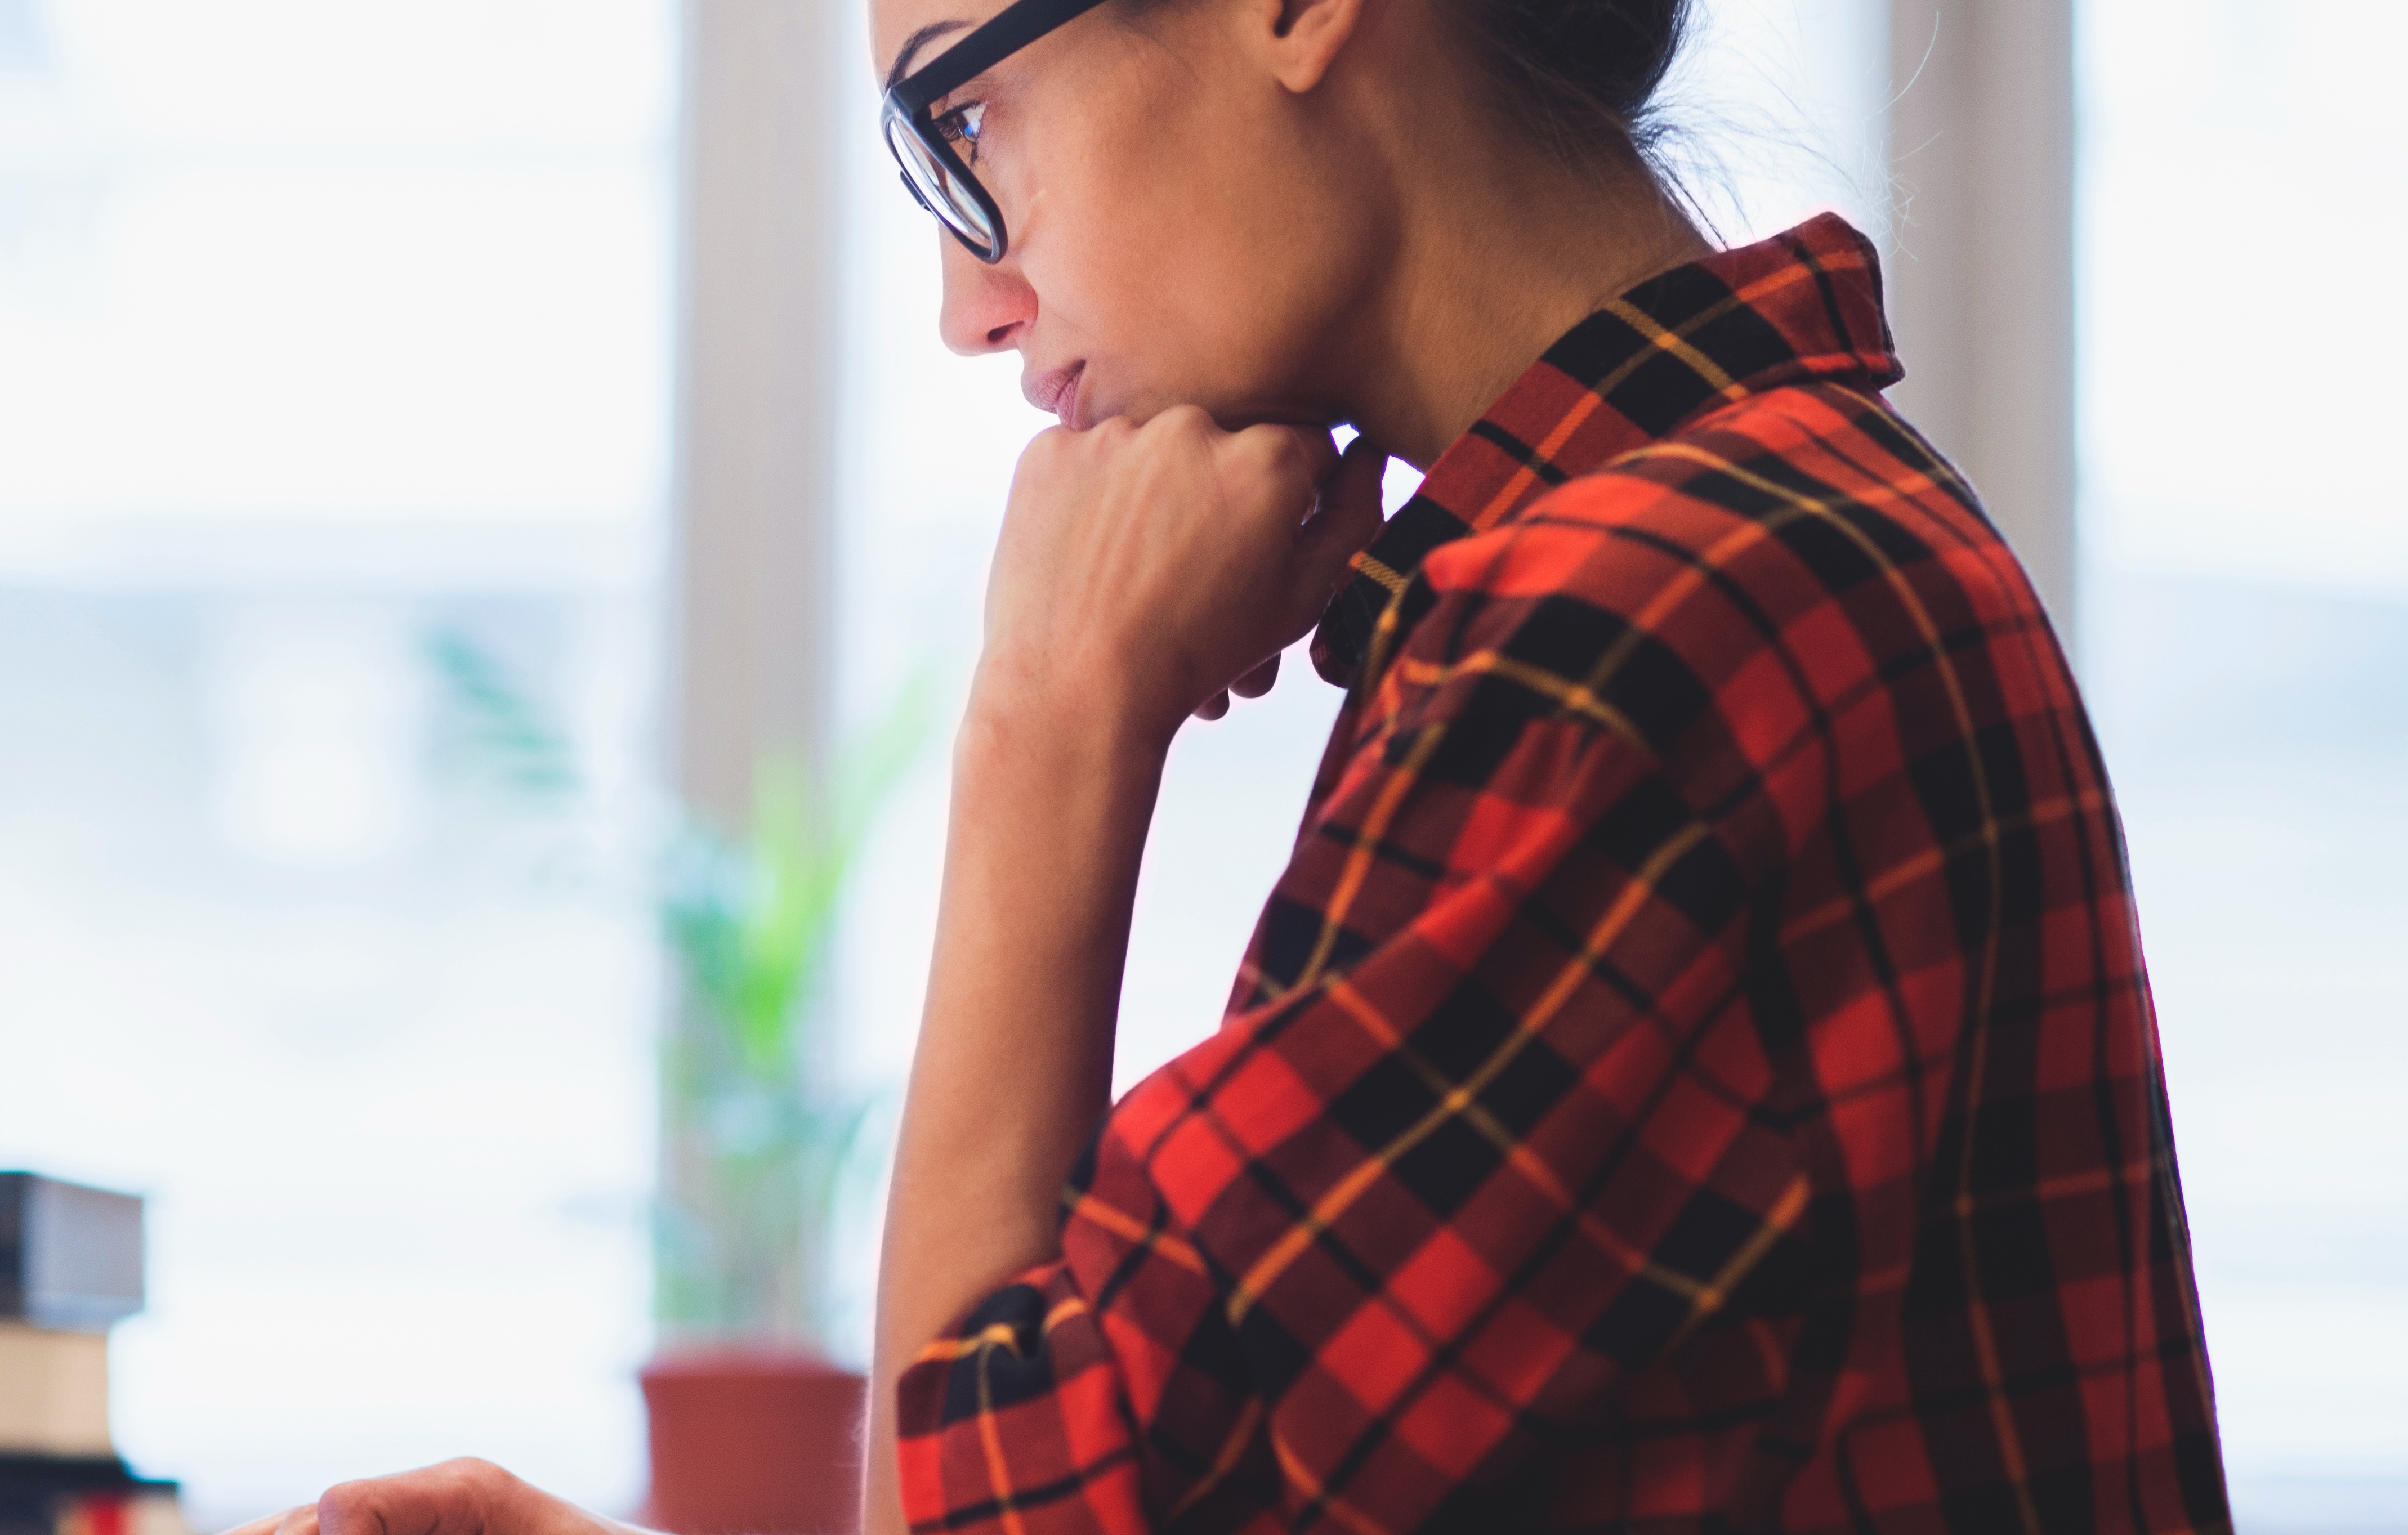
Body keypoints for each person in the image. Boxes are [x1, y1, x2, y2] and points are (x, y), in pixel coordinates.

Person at [229, 0, 2230, 1529]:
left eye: (964, 122)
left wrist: (1049, 722)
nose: (967, 299)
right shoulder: (1721, 539)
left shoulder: (1639, 639)